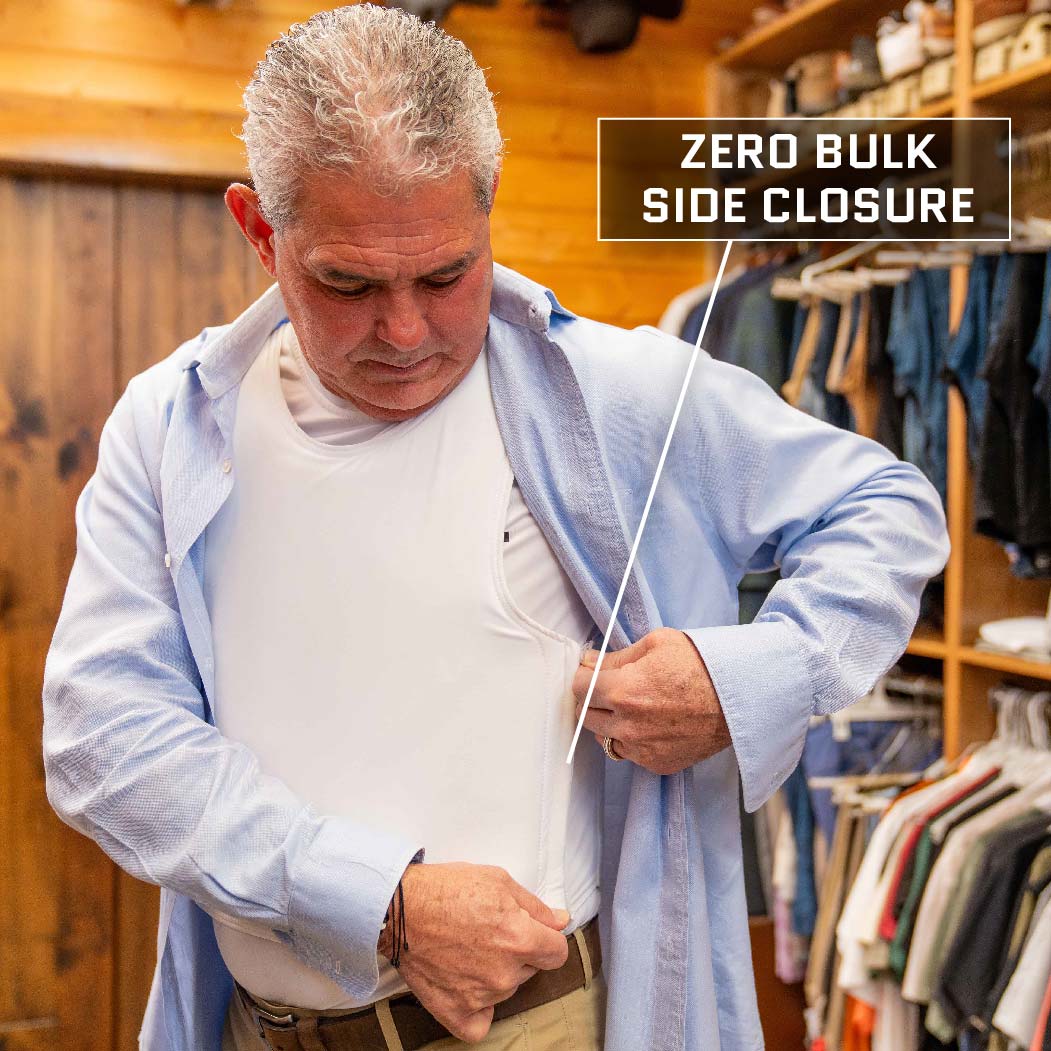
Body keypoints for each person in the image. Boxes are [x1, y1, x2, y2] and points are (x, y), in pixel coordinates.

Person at [41, 6, 950, 1051]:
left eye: (444, 273)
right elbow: (103, 737)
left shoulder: (614, 392)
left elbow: (885, 508)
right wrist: (382, 897)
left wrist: (743, 677)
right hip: (257, 1027)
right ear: (259, 231)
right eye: (347, 282)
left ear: (489, 208)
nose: (405, 330)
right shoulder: (170, 425)